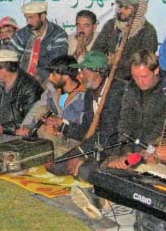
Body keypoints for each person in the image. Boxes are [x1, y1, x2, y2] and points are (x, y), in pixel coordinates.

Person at [49, 51, 125, 181]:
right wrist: (63, 126)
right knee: (57, 165)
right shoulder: (90, 93)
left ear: (96, 72)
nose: (80, 76)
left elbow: (108, 133)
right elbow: (86, 128)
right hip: (93, 145)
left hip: (113, 148)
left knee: (84, 171)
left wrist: (81, 154)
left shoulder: (117, 93)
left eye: (83, 71)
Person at [0, 49, 43, 143]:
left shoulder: (30, 87)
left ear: (3, 70)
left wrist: (2, 128)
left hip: (16, 135)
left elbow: (29, 121)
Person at [93, 0, 159, 80]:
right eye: (120, 7)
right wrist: (106, 61)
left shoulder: (148, 31)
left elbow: (145, 61)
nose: (121, 10)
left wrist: (118, 62)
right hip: (106, 76)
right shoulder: (111, 25)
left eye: (126, 8)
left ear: (138, 11)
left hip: (133, 81)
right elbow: (96, 51)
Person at [7, 1, 68, 82]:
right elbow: (11, 56)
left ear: (42, 16)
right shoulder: (22, 34)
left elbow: (57, 64)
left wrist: (39, 74)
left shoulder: (58, 34)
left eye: (31, 17)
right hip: (23, 78)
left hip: (48, 79)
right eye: (26, 18)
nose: (28, 22)